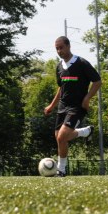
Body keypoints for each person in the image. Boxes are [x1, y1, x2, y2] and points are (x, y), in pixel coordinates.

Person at [43, 36, 100, 177]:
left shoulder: (81, 63)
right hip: (63, 107)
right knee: (59, 137)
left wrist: (87, 98)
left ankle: (61, 170)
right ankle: (84, 132)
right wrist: (51, 105)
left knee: (62, 137)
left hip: (77, 107)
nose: (59, 51)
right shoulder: (58, 67)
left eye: (61, 47)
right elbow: (61, 88)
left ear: (68, 46)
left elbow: (97, 81)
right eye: (57, 48)